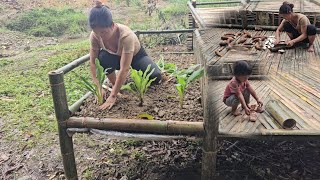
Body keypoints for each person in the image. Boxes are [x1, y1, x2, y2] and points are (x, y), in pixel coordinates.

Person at [88, 2, 162, 110]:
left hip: (136, 56)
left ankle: (120, 86)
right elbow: (93, 62)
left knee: (155, 76)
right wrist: (98, 87)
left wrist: (112, 96)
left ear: (112, 25)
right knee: (102, 58)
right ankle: (115, 85)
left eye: (103, 32)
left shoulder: (126, 35)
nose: (100, 36)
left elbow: (124, 68)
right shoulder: (94, 36)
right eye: (97, 32)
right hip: (114, 58)